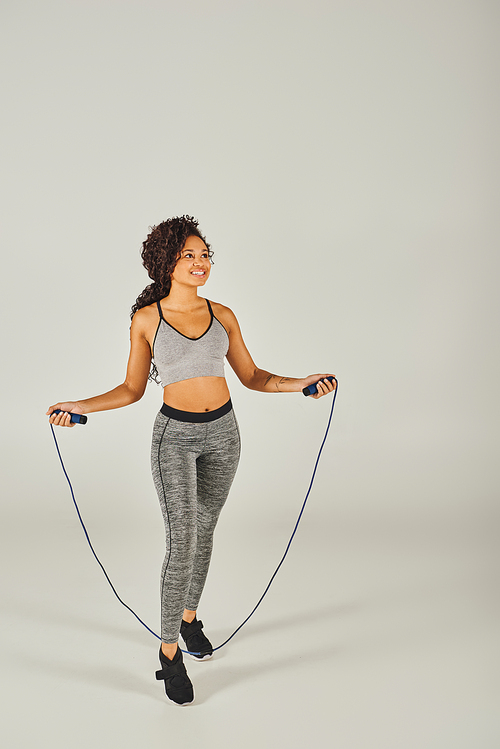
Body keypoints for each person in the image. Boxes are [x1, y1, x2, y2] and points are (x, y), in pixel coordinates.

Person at [47, 215, 336, 706]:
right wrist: (78, 406)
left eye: (206, 255)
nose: (201, 263)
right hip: (174, 439)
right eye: (190, 256)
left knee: (206, 530)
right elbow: (132, 389)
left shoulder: (222, 314)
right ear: (167, 262)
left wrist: (301, 384)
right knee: (182, 540)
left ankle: (188, 617)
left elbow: (254, 376)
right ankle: (168, 652)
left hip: (225, 435)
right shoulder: (147, 320)